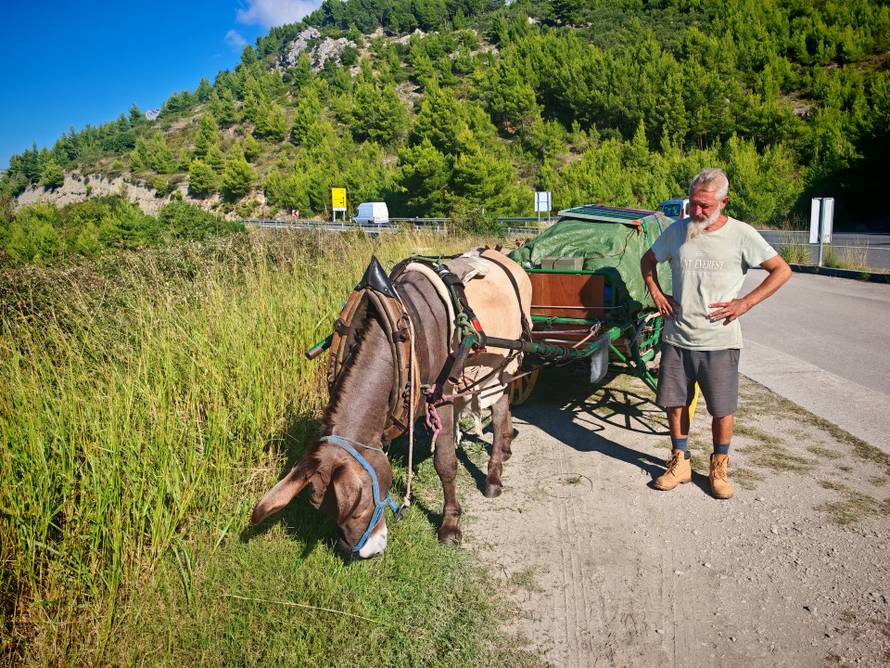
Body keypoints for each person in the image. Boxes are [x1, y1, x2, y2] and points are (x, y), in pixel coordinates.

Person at [640, 168, 791, 499]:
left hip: (720, 342)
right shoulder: (678, 231)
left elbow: (781, 270)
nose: (696, 212)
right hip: (677, 337)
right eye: (693, 204)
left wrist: (746, 303)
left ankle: (718, 468)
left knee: (722, 409)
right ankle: (679, 462)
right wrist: (656, 292)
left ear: (724, 201)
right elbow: (647, 261)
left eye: (704, 206)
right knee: (675, 403)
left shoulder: (742, 235)